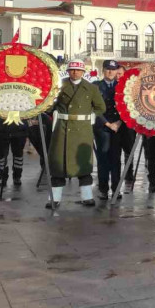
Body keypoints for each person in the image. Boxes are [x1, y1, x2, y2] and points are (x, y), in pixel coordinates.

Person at [47, 59, 107, 209]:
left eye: (78, 70)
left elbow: (101, 107)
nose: (75, 72)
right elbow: (48, 105)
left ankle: (87, 197)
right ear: (68, 71)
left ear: (83, 72)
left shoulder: (91, 88)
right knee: (58, 164)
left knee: (83, 164)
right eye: (72, 70)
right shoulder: (58, 86)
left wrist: (91, 116)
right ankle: (54, 198)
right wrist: (52, 111)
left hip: (82, 129)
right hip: (62, 129)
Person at [93, 59, 132, 200]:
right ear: (103, 70)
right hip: (102, 127)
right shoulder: (95, 86)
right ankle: (103, 189)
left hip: (118, 127)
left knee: (116, 159)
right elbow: (94, 108)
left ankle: (116, 188)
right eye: (107, 69)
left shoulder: (123, 86)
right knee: (103, 158)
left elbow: (128, 107)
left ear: (117, 71)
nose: (110, 72)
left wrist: (119, 122)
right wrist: (107, 124)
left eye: (113, 69)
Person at [0, 117, 27, 188]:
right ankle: (3, 176)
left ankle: (17, 176)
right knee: (1, 155)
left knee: (18, 154)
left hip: (19, 125)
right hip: (0, 126)